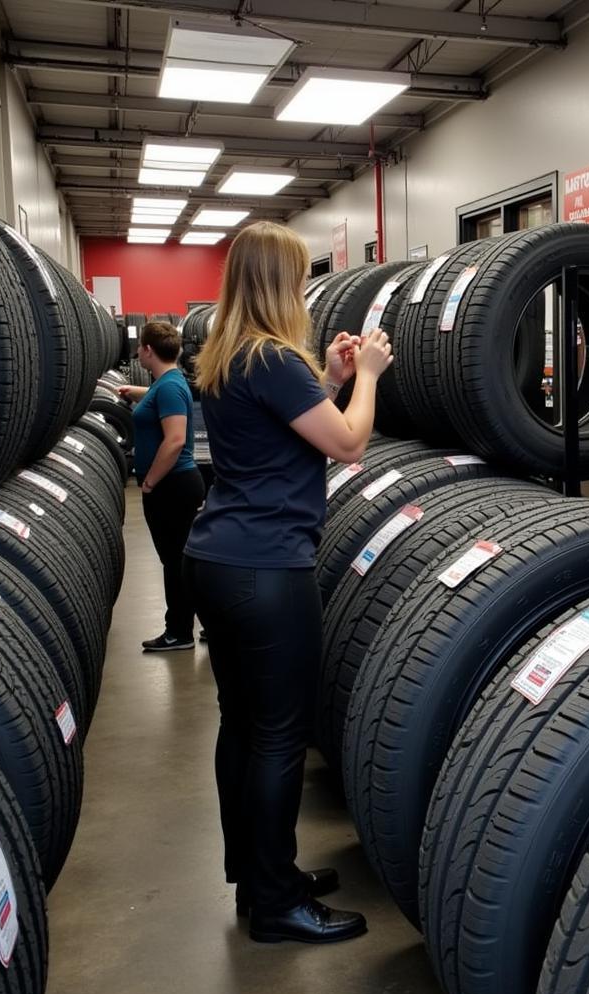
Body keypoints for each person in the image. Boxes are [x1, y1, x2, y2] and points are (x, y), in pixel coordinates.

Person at [183, 221, 392, 945]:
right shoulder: (274, 358)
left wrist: (327, 380)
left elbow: (285, 434)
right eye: (298, 277)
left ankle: (258, 872)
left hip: (218, 557)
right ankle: (276, 905)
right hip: (268, 569)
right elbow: (350, 443)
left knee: (241, 724)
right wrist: (364, 376)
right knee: (278, 736)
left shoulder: (227, 355)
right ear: (279, 283)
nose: (304, 290)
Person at [118, 321, 205, 653]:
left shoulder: (168, 387)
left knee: (175, 564)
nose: (138, 351)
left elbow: (175, 441)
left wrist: (150, 480)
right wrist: (132, 393)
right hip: (176, 485)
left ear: (149, 351)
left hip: (172, 486)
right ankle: (207, 624)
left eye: (141, 346)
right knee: (182, 561)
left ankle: (179, 633)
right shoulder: (167, 382)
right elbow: (160, 398)